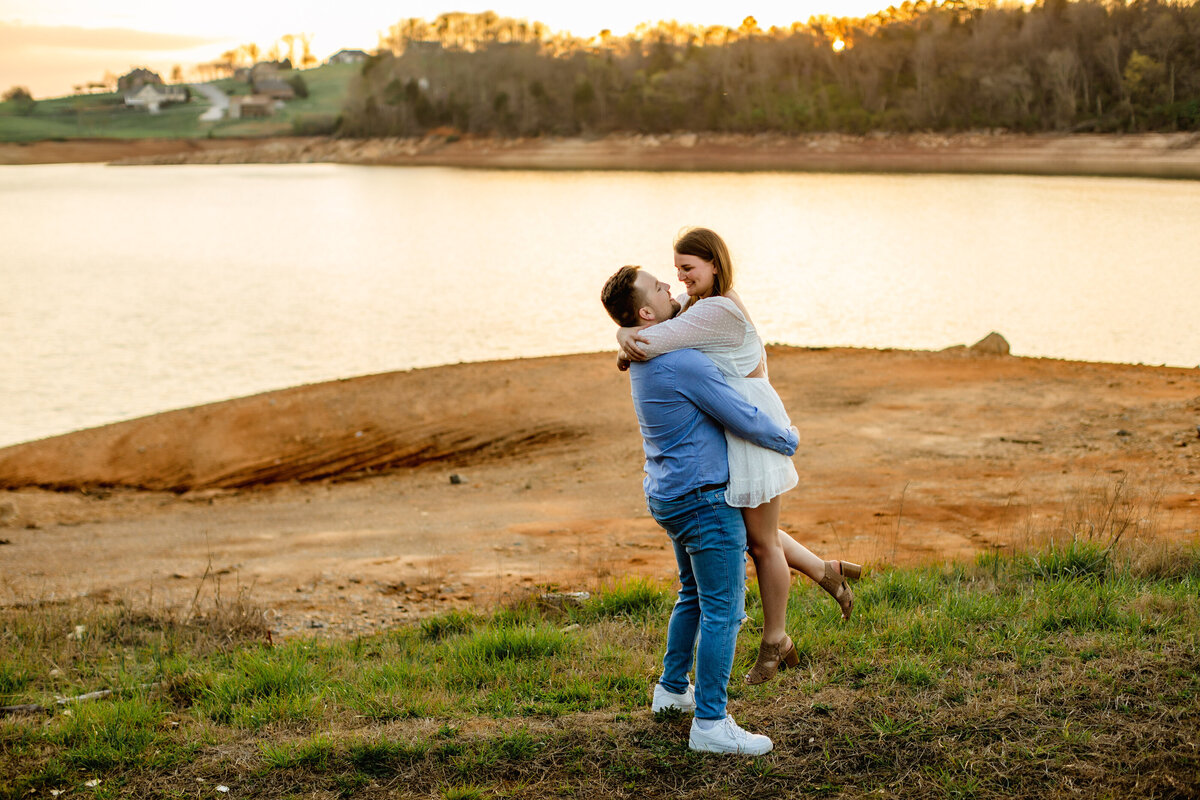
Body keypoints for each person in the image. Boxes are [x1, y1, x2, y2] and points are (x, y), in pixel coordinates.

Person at [617, 228, 860, 687]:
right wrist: (626, 330)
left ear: (714, 263)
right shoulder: (698, 306)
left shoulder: (718, 309)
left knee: (761, 542)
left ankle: (776, 642)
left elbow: (653, 340)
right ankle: (824, 572)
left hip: (753, 419)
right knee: (753, 532)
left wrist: (625, 333)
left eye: (689, 268)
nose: (682, 278)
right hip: (735, 418)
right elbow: (657, 332)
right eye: (677, 271)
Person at [601, 264, 797, 755]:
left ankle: (671, 691)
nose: (670, 285)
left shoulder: (647, 351)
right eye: (659, 287)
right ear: (647, 311)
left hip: (668, 492)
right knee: (724, 610)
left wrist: (626, 331)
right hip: (704, 498)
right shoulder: (682, 362)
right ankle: (711, 723)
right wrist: (787, 438)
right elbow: (741, 414)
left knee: (692, 593)